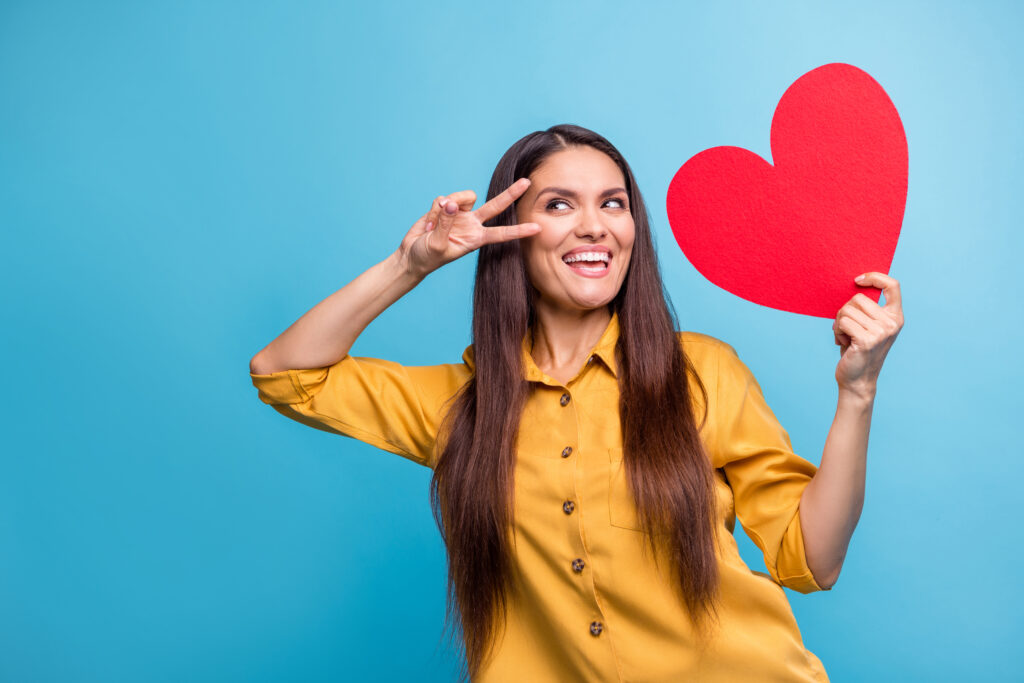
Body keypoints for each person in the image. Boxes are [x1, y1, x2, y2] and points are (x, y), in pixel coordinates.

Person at [249, 124, 903, 682]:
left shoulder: (702, 372)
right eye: (560, 205)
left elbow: (813, 558)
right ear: (512, 231)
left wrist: (858, 392)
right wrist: (409, 263)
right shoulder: (457, 404)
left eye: (613, 203)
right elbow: (283, 373)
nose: (594, 225)